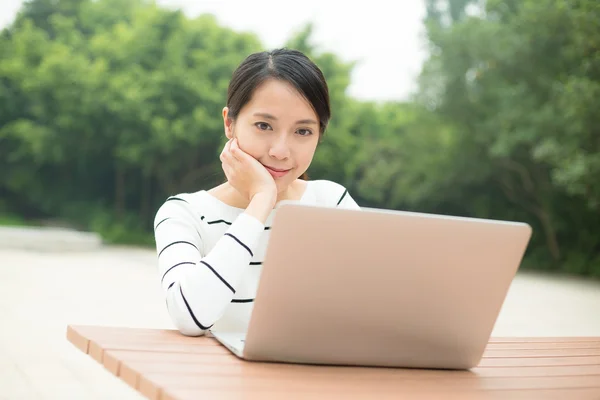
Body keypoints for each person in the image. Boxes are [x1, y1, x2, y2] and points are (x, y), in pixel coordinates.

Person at [153, 48, 360, 337]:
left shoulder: (331, 203)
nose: (280, 151)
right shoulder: (184, 213)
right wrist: (262, 200)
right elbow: (189, 316)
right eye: (264, 126)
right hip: (213, 381)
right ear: (229, 123)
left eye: (303, 131)